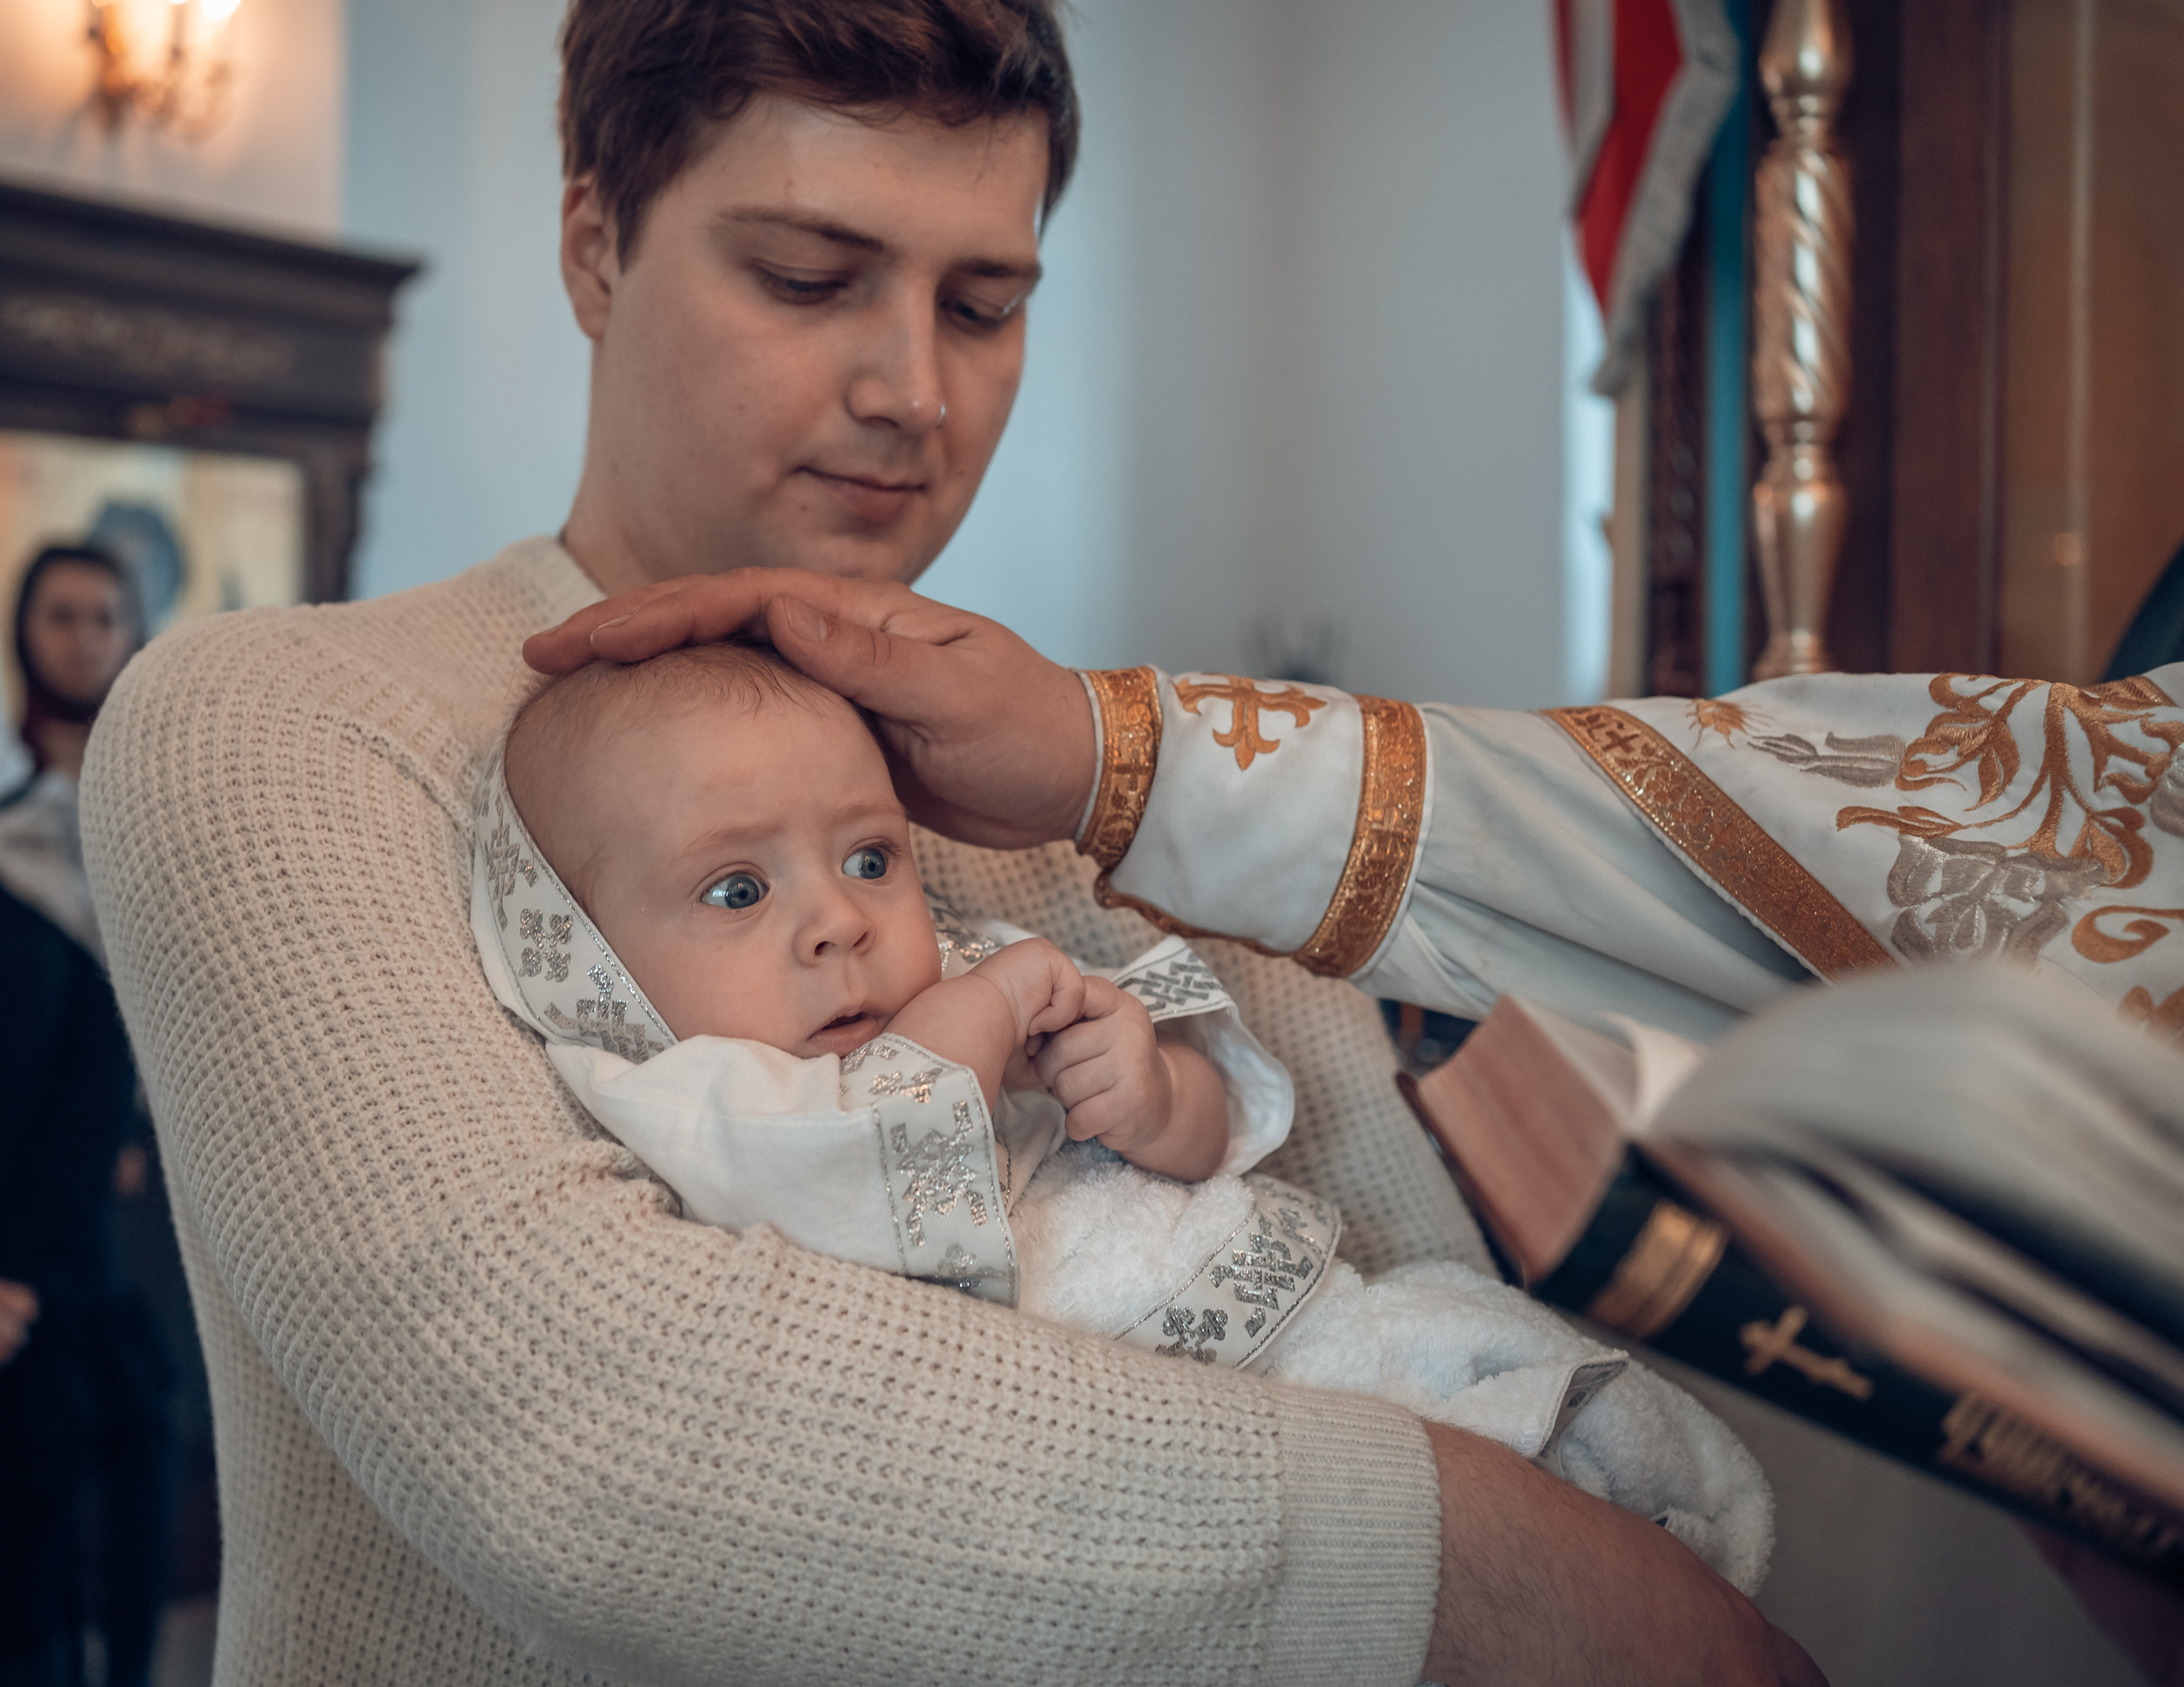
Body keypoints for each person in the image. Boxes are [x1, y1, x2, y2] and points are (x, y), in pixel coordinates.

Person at [79, 2, 1829, 1682]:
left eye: (984, 303)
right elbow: (601, 1450)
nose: (914, 389)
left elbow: (1392, 1264)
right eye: (807, 278)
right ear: (596, 247)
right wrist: (1469, 1561)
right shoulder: (287, 722)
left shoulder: (1074, 777)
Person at [468, 640, 1775, 1587]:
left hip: (1307, 1315)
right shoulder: (685, 1091)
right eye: (737, 891)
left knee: (1522, 1368)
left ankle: (1673, 1522)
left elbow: (1214, 1131)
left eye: (871, 858)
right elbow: (847, 1170)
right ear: (585, 956)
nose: (839, 921)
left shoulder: (962, 964)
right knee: (1477, 1519)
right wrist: (973, 1029)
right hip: (1193, 1450)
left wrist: (1151, 1093)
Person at [1, 545, 173, 1687]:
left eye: (104, 616)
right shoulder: (8, 845)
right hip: (24, 1238)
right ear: (26, 636)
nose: (82, 636)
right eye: (60, 615)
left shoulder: (166, 832)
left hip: (135, 1234)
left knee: (145, 1494)